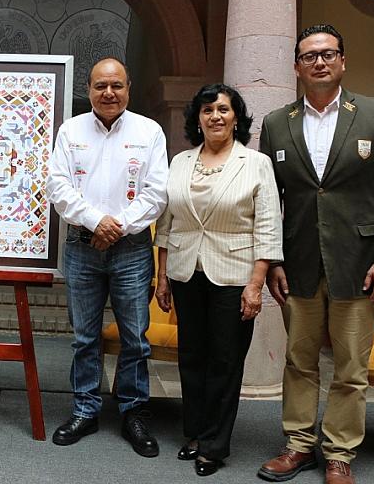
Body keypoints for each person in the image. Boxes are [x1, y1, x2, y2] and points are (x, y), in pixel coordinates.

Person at [257, 24, 374, 484]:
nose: (319, 62)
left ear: (343, 61)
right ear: (297, 68)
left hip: (359, 265)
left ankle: (340, 452)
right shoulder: (275, 123)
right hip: (298, 263)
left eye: (328, 54)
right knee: (299, 361)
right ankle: (299, 445)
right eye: (309, 56)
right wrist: (273, 260)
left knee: (350, 366)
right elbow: (270, 201)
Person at [154, 83, 282, 477]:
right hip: (185, 271)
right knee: (192, 356)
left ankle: (214, 444)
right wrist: (162, 276)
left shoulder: (255, 163)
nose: (215, 116)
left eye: (223, 109)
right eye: (207, 110)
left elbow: (268, 225)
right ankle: (193, 432)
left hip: (235, 275)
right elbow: (166, 222)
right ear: (197, 118)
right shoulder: (180, 161)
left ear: (236, 118)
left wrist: (256, 283)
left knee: (225, 362)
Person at [46, 57, 168, 457]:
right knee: (84, 337)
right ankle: (85, 409)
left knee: (135, 337)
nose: (109, 93)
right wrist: (97, 222)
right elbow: (58, 187)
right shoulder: (70, 130)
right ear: (90, 88)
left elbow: (156, 192)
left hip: (131, 249)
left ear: (128, 88)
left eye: (116, 85)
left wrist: (117, 227)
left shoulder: (149, 131)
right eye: (101, 86)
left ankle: (134, 411)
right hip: (82, 247)